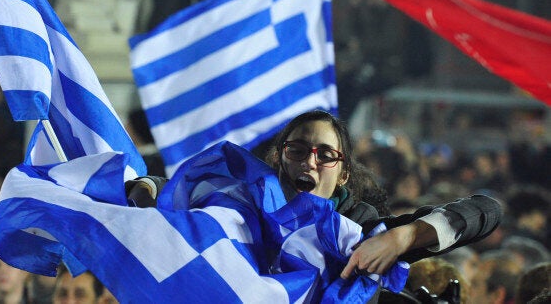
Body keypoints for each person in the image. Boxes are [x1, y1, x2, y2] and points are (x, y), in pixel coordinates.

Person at [130, 110, 502, 283]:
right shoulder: (243, 203)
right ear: (279, 158)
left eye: (325, 154)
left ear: (343, 175)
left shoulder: (361, 230)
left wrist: (402, 237)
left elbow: (487, 210)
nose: (310, 160)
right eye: (298, 149)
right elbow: (186, 191)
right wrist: (148, 187)